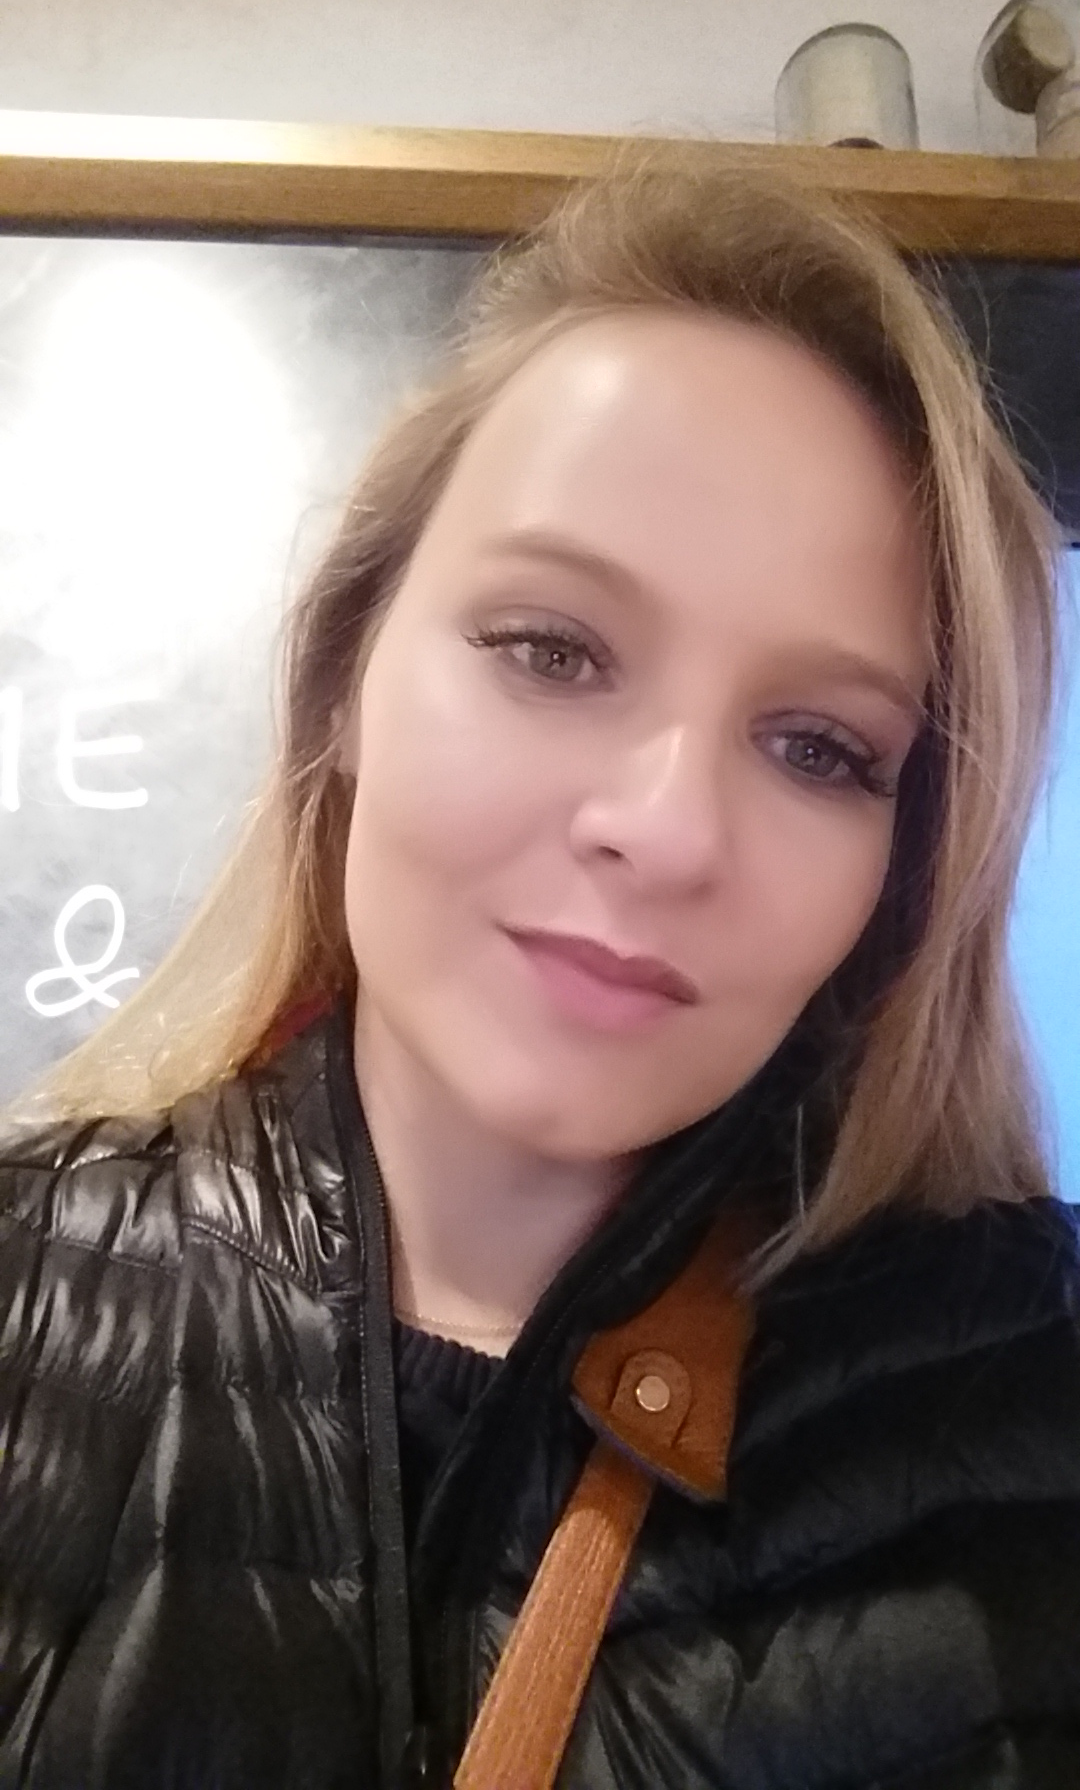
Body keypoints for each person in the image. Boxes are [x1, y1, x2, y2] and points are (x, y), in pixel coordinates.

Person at [1, 148, 1078, 1790]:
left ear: (904, 872)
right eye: (551, 651)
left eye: (819, 746)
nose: (668, 828)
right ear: (345, 679)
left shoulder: (1035, 1412)